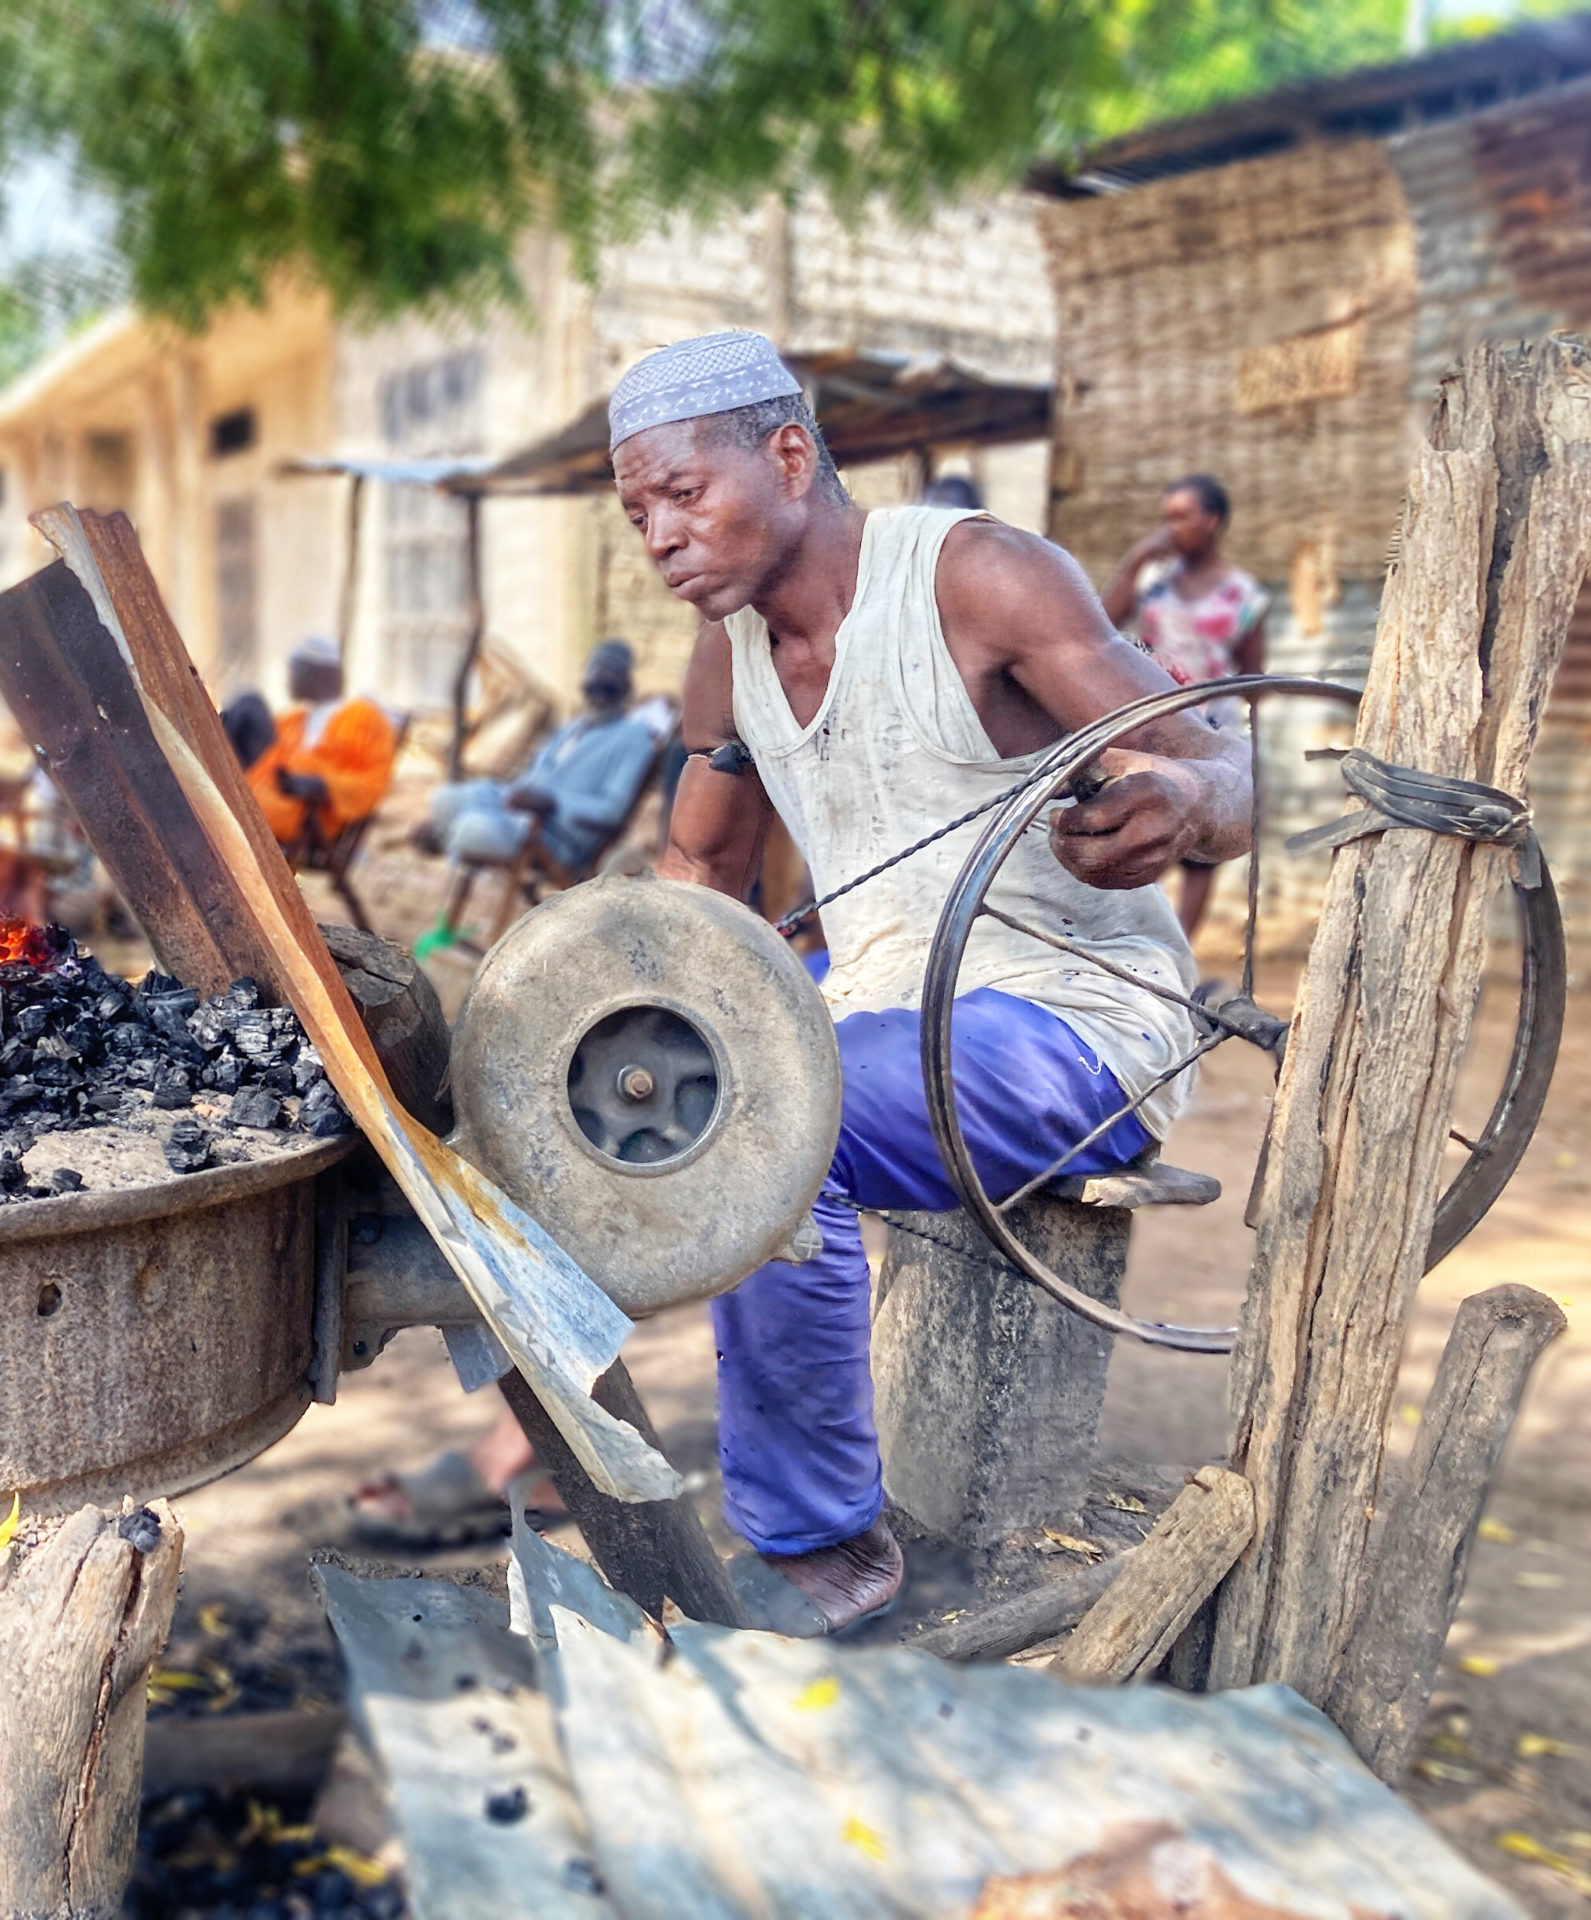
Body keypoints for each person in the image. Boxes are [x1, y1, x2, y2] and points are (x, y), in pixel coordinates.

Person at [357, 333, 1250, 1627]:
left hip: (1076, 1019)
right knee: (577, 1111)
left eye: (680, 494)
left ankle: (827, 1556)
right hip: (867, 999)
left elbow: (1226, 763)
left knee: (779, 1127)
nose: (658, 535)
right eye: (635, 511)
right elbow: (695, 878)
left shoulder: (978, 580)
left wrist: (1183, 796)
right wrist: (595, 1030)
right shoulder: (728, 655)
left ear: (787, 454)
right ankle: (534, 1458)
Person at [1100, 475, 1270, 938]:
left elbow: (1253, 673)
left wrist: (1247, 747)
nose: (1170, 527)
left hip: (1213, 726)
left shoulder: (1244, 595)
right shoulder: (1153, 581)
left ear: (1211, 521)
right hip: (1152, 721)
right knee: (1145, 826)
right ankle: (1131, 942)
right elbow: (1100, 626)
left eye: (1181, 516)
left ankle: (1179, 952)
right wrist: (1136, 558)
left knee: (1200, 849)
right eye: (1166, 518)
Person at [419, 639, 660, 871]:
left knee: (468, 827)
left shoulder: (633, 737)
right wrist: (512, 795)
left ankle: (447, 838)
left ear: (626, 689)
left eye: (609, 685)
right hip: (516, 814)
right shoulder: (573, 727)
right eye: (593, 683)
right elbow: (534, 779)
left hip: (555, 833)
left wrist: (553, 803)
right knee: (444, 799)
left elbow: (612, 810)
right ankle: (446, 835)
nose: (598, 693)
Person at [225, 635, 398, 846]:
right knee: (246, 708)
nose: (288, 680)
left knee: (250, 704)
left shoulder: (363, 715)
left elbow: (373, 781)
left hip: (309, 811)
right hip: (270, 789)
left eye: (294, 672)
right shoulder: (295, 720)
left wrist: (321, 785)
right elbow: (268, 758)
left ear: (318, 677)